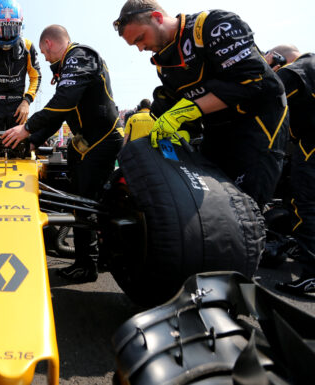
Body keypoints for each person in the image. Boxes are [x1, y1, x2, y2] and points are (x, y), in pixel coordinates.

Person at [114, 0, 288, 208]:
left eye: (141, 38)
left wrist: (184, 112)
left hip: (258, 120)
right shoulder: (164, 66)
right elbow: (180, 103)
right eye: (135, 45)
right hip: (217, 129)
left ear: (157, 18)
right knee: (214, 204)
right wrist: (182, 129)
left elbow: (251, 81)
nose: (141, 48)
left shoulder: (213, 25)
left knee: (246, 203)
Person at [3, 25, 123, 283]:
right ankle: (95, 259)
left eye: (44, 53)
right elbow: (60, 115)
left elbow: (64, 102)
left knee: (86, 204)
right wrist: (33, 141)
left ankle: (88, 265)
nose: (44, 58)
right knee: (82, 203)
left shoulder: (79, 56)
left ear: (48, 43)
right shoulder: (67, 65)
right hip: (87, 141)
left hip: (101, 140)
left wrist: (26, 127)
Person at [263, 45, 315, 295]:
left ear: (276, 57)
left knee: (305, 206)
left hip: (312, 147)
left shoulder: (295, 71)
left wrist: (267, 68)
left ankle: (312, 274)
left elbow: (261, 94)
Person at [0, 0, 41, 145]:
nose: (7, 35)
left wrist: (27, 101)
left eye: (12, 29)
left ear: (20, 25)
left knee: (20, 149)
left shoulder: (28, 46)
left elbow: (36, 77)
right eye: (1, 29)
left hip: (19, 107)